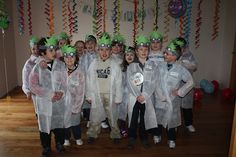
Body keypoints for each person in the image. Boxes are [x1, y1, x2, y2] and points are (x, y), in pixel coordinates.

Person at [29, 36, 66, 157]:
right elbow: (33, 86)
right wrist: (49, 94)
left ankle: (60, 143)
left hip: (58, 103)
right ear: (43, 52)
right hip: (44, 103)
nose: (54, 52)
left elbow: (65, 81)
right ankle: (46, 146)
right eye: (51, 50)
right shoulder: (37, 68)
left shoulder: (60, 65)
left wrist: (61, 92)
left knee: (59, 125)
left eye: (55, 49)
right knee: (45, 127)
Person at [154, 41, 194, 149]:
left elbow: (190, 81)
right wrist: (159, 95)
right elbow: (155, 81)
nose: (165, 55)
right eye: (165, 53)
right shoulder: (160, 66)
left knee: (172, 120)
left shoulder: (180, 69)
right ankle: (157, 134)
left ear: (175, 56)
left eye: (168, 54)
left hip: (173, 100)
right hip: (160, 99)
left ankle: (171, 139)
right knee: (158, 118)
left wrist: (180, 92)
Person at [85, 33, 123, 144]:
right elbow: (89, 80)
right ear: (98, 50)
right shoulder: (94, 64)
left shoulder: (114, 65)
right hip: (97, 94)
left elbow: (119, 82)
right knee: (95, 115)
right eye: (102, 50)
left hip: (110, 94)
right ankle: (93, 133)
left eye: (107, 50)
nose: (104, 52)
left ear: (110, 51)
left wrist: (118, 97)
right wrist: (89, 95)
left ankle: (115, 133)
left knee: (112, 115)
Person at [126, 35, 158, 149]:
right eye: (141, 49)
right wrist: (138, 95)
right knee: (133, 118)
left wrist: (144, 95)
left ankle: (144, 137)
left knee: (145, 118)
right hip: (134, 98)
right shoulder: (131, 66)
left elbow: (153, 82)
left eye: (146, 49)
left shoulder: (153, 65)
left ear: (148, 51)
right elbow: (130, 82)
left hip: (146, 98)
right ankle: (131, 137)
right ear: (136, 51)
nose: (143, 52)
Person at [61, 45, 85, 146]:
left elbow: (81, 91)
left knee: (75, 122)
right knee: (65, 122)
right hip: (63, 103)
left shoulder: (80, 72)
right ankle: (66, 138)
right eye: (66, 56)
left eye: (72, 56)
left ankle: (77, 137)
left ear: (76, 58)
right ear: (63, 58)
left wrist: (77, 106)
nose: (69, 59)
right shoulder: (60, 70)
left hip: (75, 102)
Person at [174, 37, 197, 132]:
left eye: (182, 47)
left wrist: (183, 63)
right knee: (175, 107)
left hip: (187, 86)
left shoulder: (189, 55)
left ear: (185, 47)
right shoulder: (173, 55)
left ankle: (189, 123)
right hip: (176, 85)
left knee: (187, 107)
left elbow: (194, 65)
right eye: (178, 47)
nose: (181, 49)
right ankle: (174, 124)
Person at [118, 46, 136, 138]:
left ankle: (132, 129)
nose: (129, 57)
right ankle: (122, 128)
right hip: (123, 94)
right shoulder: (121, 68)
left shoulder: (138, 67)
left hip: (134, 94)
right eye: (127, 55)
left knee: (133, 112)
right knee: (122, 112)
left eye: (132, 55)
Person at [22, 36, 39, 101]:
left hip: (45, 90)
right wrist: (27, 91)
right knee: (38, 109)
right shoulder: (28, 64)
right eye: (33, 49)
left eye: (37, 48)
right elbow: (25, 79)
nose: (36, 51)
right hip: (34, 91)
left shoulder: (44, 59)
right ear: (30, 50)